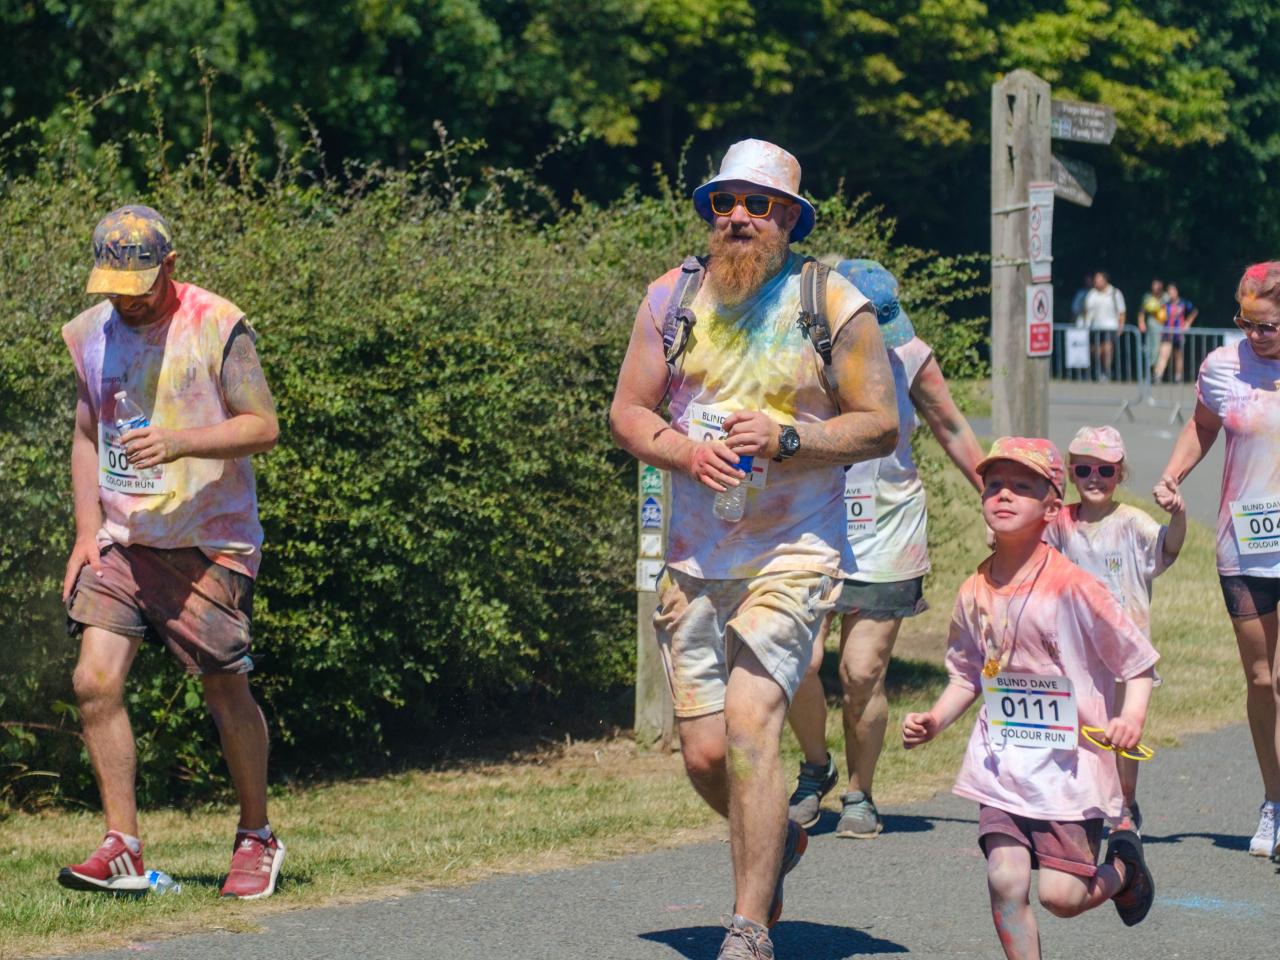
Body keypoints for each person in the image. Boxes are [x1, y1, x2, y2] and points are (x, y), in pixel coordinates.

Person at [609, 139, 898, 960]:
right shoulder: (671, 298)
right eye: (723, 202)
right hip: (696, 555)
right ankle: (780, 842)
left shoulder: (832, 302)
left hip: (794, 551)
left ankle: (749, 925)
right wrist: (681, 452)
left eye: (757, 204)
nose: (737, 216)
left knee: (749, 726)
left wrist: (788, 436)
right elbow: (629, 411)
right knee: (705, 755)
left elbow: (879, 423)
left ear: (791, 219)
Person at [58, 205, 285, 898]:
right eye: (116, 285)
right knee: (93, 681)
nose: (129, 298)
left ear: (172, 267)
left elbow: (264, 426)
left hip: (209, 540)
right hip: (124, 541)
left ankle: (256, 835)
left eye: (143, 284)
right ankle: (121, 845)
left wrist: (181, 441)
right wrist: (84, 530)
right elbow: (87, 435)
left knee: (224, 686)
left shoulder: (217, 325)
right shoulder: (90, 334)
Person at [902, 437, 1158, 960]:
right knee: (1005, 880)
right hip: (1002, 762)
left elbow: (1137, 661)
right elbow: (967, 674)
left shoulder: (1074, 587)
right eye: (994, 484)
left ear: (1050, 508)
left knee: (1060, 897)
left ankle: (1125, 869)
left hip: (1068, 767)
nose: (1004, 495)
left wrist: (1130, 718)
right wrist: (935, 720)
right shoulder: (974, 588)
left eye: (1022, 487)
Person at [784, 259, 984, 837]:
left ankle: (858, 794)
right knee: (799, 661)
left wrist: (993, 495)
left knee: (861, 670)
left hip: (889, 527)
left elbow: (949, 426)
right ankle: (815, 767)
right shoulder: (796, 352)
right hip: (809, 521)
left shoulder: (910, 356)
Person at [1155, 261, 1280, 861]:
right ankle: (1273, 801)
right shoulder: (1223, 367)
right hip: (1247, 542)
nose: (1255, 335)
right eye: (1247, 324)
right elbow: (1203, 426)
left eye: (1268, 326)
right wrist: (1172, 474)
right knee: (1263, 680)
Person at [1045, 426, 1186, 834]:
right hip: (1076, 649)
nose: (1094, 478)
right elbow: (1030, 549)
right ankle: (1082, 799)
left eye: (1105, 471)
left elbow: (1170, 547)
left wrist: (1178, 513)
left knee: (1125, 729)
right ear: (1072, 473)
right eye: (1085, 468)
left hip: (1126, 647)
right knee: (1081, 724)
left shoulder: (1131, 522)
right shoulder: (1061, 522)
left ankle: (1125, 801)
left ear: (1119, 475)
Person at [1083, 272, 1126, 382]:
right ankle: (1096, 371)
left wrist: (1121, 326)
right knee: (1095, 351)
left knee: (1107, 349)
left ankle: (1105, 372)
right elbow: (1087, 311)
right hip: (1095, 327)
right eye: (1095, 279)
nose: (1096, 282)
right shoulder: (1092, 294)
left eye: (1099, 279)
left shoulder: (1115, 293)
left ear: (1105, 280)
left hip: (1110, 327)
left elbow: (1122, 312)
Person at [1152, 282, 1198, 384]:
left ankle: (1178, 377)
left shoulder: (1184, 303)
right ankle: (1158, 375)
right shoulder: (1165, 304)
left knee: (1178, 355)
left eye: (1172, 291)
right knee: (1164, 353)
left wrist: (1188, 322)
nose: (1171, 293)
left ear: (1176, 291)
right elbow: (1158, 317)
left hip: (1178, 333)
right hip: (1167, 333)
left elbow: (1194, 311)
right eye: (1169, 291)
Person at [1137, 279, 1167, 381]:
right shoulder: (1148, 297)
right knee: (1152, 349)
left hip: (1165, 327)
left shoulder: (1166, 297)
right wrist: (1141, 322)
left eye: (1158, 285)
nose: (1156, 287)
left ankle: (1158, 373)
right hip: (1152, 326)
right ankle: (1151, 373)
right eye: (1154, 285)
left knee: (1162, 351)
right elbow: (1142, 311)